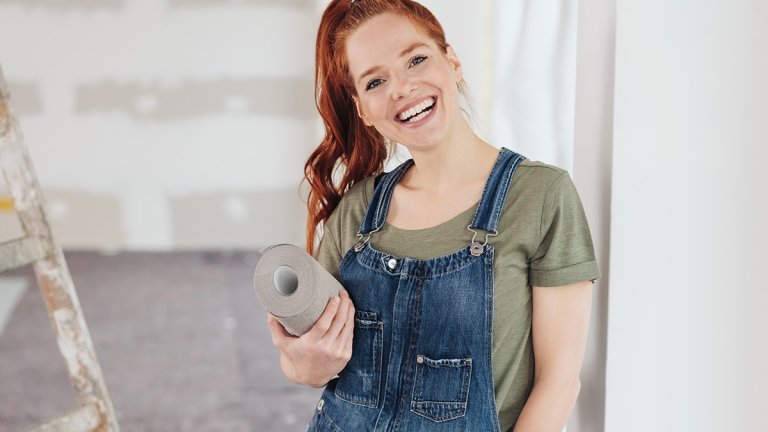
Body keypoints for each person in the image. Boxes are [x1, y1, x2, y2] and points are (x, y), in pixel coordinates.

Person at [266, 1, 599, 430]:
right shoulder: (357, 213)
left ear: (453, 61)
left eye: (417, 59)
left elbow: (559, 383)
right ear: (363, 109)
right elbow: (309, 369)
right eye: (376, 81)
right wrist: (301, 363)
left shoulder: (540, 197)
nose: (402, 88)